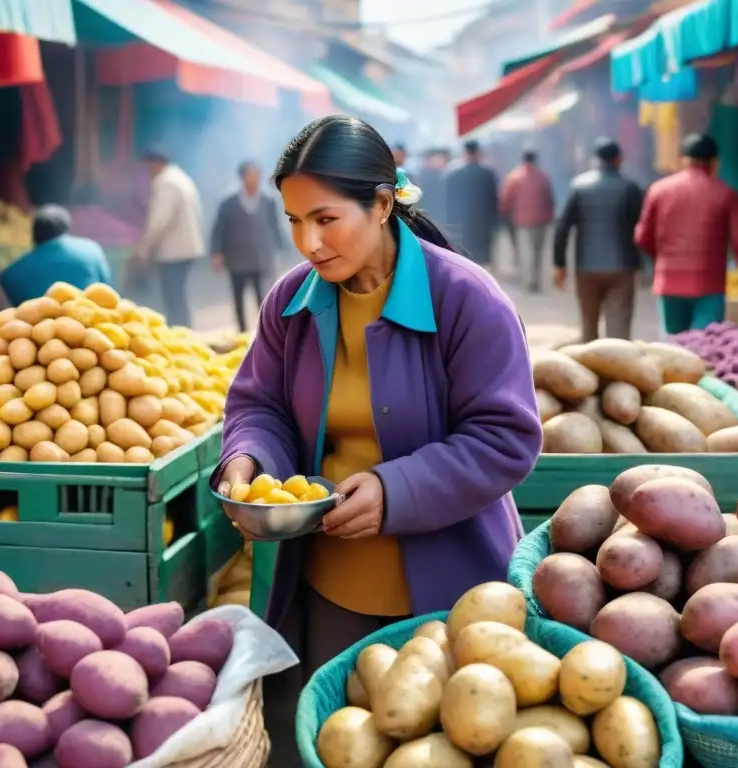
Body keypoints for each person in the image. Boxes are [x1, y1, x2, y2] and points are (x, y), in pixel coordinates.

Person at [213, 114, 542, 762]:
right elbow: (260, 405)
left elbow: (505, 438)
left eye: (326, 219)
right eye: (293, 220)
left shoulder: (467, 301)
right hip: (329, 591)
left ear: (385, 204)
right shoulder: (289, 302)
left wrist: (396, 491)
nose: (308, 242)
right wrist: (248, 460)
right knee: (337, 747)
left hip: (453, 596)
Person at [635, 133, 738, 336]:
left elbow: (641, 237)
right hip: (708, 285)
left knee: (673, 351)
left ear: (683, 160)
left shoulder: (658, 190)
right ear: (715, 163)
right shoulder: (726, 194)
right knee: (703, 349)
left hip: (668, 283)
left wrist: (663, 260)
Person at [553, 139, 645, 341]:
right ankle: (619, 370)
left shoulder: (579, 185)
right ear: (617, 159)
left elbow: (563, 227)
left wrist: (560, 264)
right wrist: (644, 264)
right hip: (621, 268)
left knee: (588, 327)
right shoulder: (629, 187)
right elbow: (642, 227)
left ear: (595, 159)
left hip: (586, 268)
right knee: (619, 328)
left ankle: (590, 370)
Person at [210, 161, 285, 332]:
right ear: (242, 177)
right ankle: (242, 331)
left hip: (260, 256)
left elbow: (275, 227)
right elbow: (219, 227)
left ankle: (265, 331)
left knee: (263, 296)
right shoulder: (229, 201)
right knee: (238, 296)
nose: (254, 179)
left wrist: (283, 249)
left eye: (257, 175)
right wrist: (217, 252)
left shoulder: (268, 200)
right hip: (236, 256)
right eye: (250, 175)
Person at [135, 147, 204, 328]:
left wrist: (145, 246)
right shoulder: (180, 177)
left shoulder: (166, 182)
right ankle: (184, 332)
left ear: (156, 163)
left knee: (173, 297)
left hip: (174, 250)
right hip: (187, 248)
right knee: (177, 295)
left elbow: (160, 220)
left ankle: (180, 334)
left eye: (147, 167)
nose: (147, 172)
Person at [0, 205, 112, 306]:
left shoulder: (12, 272)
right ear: (67, 229)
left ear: (35, 234)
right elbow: (106, 289)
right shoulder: (92, 249)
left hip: (38, 327)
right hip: (91, 323)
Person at [500, 149, 555, 292]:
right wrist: (550, 216)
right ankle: (536, 280)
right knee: (538, 251)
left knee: (526, 251)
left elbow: (506, 199)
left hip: (521, 221)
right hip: (541, 220)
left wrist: (504, 214)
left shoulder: (514, 177)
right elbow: (550, 198)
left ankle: (529, 280)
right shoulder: (543, 177)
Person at [445, 140, 499, 267]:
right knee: (482, 261)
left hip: (462, 226)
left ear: (465, 153)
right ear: (478, 153)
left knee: (464, 261)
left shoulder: (454, 174)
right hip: (483, 225)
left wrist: (449, 224)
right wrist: (495, 224)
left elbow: (450, 202)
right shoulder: (488, 174)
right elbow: (493, 201)